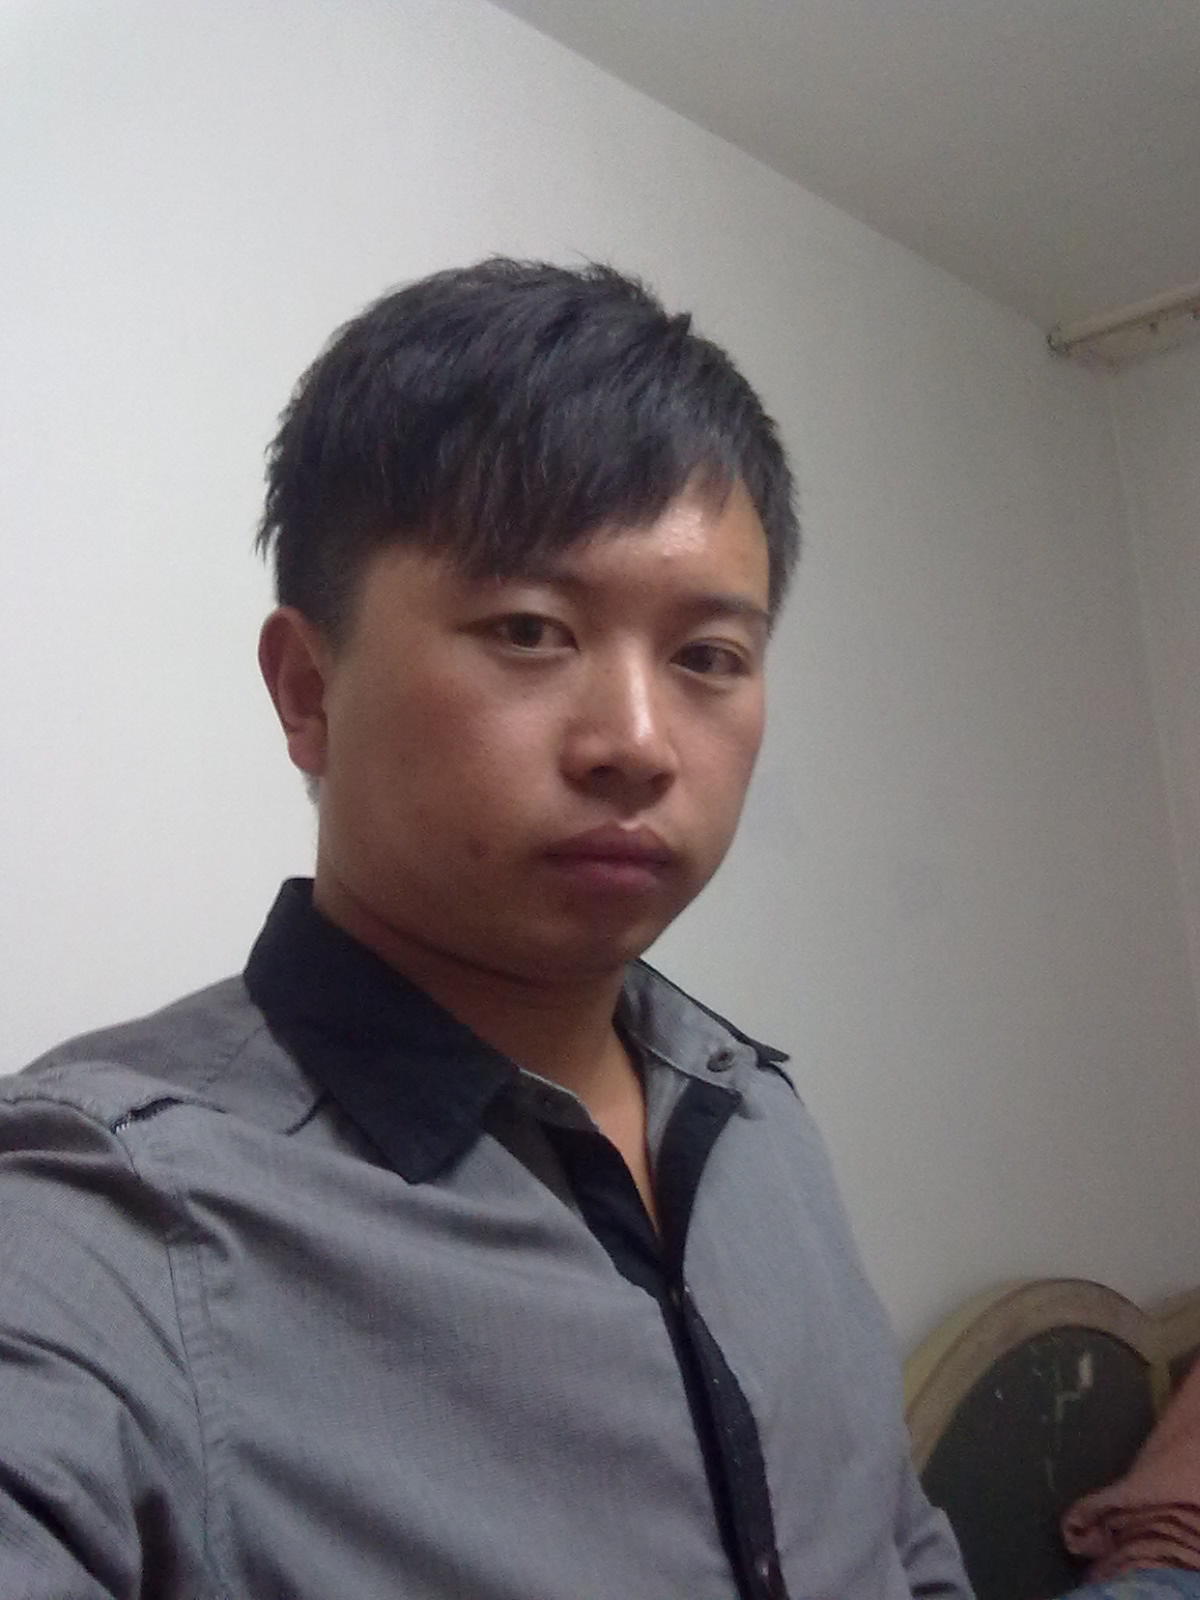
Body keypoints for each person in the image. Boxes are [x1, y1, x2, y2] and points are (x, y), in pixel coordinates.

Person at [0, 259, 971, 1600]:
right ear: (307, 690)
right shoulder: (104, 1214)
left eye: (707, 657)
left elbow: (896, 1546)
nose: (638, 743)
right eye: (530, 630)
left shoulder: (756, 1117)